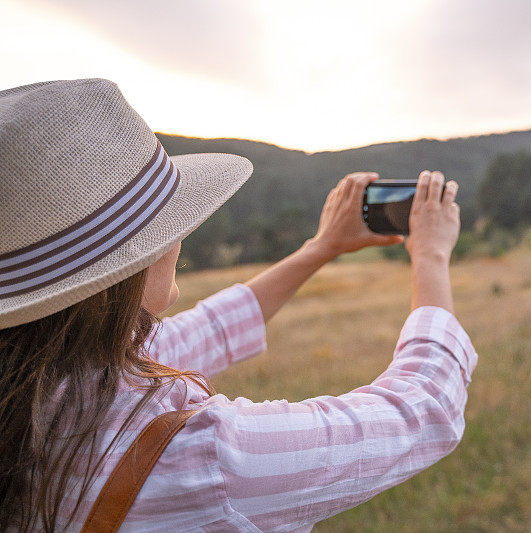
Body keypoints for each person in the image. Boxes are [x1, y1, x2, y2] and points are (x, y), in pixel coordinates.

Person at [0, 78, 478, 532]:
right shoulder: (201, 462)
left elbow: (208, 329)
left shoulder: (37, 378)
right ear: (120, 273)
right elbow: (422, 410)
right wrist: (432, 255)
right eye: (170, 222)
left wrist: (320, 248)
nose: (181, 235)